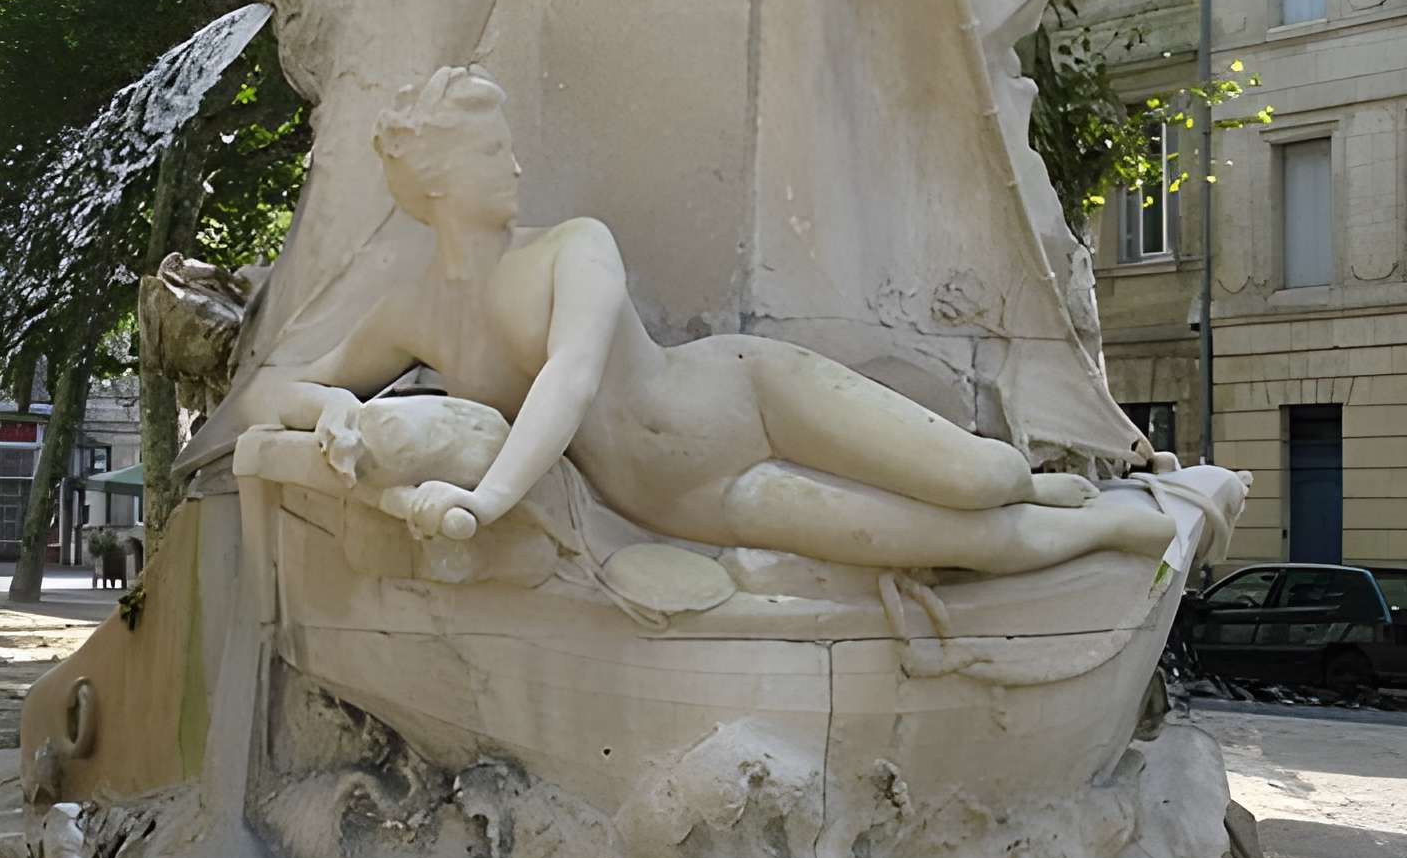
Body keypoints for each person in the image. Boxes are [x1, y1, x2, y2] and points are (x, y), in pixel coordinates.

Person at [252, 67, 1174, 578]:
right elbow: (274, 386)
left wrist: (488, 498)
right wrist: (328, 409)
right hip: (691, 501)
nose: (518, 166)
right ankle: (1103, 529)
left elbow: (571, 378)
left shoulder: (577, 244)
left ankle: (1039, 486)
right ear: (443, 180)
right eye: (496, 151)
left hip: (747, 394)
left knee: (987, 479)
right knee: (958, 545)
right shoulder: (413, 311)